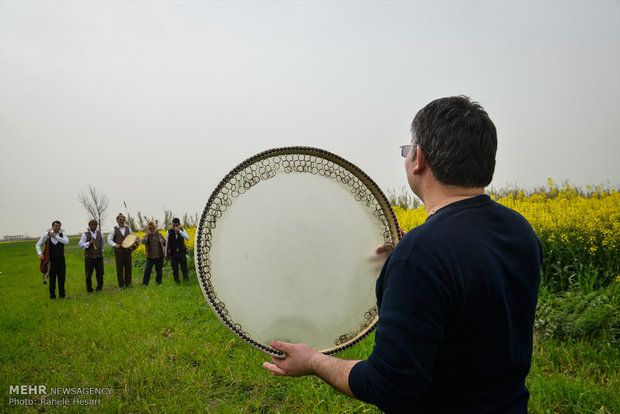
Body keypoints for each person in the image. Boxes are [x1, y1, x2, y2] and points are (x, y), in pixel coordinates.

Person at [262, 96, 542, 413]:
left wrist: (314, 360)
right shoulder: (519, 230)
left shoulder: (422, 254)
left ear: (418, 159)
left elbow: (389, 385)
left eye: (407, 150)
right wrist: (413, 253)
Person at [36, 220, 70, 299]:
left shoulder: (62, 234)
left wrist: (55, 236)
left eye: (59, 226)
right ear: (52, 227)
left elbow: (66, 242)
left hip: (61, 260)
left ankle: (62, 295)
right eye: (56, 226)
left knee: (62, 278)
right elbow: (38, 245)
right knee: (52, 279)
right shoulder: (46, 235)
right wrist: (40, 254)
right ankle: (52, 296)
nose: (57, 227)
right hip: (51, 261)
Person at [107, 213, 134, 290]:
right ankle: (121, 286)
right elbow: (109, 239)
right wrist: (115, 244)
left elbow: (132, 236)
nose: (122, 221)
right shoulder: (114, 229)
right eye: (120, 220)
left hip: (128, 252)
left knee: (128, 269)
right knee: (119, 269)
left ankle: (128, 284)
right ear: (117, 221)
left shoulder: (128, 228)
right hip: (119, 252)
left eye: (123, 220)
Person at [78, 219, 105, 293]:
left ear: (96, 226)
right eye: (92, 225)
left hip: (99, 257)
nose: (93, 226)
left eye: (95, 225)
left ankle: (99, 288)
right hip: (89, 258)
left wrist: (100, 251)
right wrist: (89, 243)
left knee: (100, 273)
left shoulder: (100, 233)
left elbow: (103, 243)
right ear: (89, 226)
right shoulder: (85, 234)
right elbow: (80, 245)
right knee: (88, 274)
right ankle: (89, 289)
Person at [141, 221, 166, 285]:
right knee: (147, 270)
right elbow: (143, 242)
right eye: (150, 229)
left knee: (159, 271)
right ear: (148, 229)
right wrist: (147, 235)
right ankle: (145, 284)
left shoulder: (159, 235)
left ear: (155, 228)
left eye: (153, 228)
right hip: (150, 256)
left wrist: (162, 241)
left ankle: (158, 283)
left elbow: (165, 243)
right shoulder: (146, 235)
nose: (152, 230)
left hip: (159, 256)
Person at [166, 218, 190, 283]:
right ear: (172, 224)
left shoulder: (182, 230)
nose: (175, 227)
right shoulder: (169, 232)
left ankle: (186, 281)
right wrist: (166, 254)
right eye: (174, 225)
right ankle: (177, 282)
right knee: (175, 269)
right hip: (173, 253)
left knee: (184, 268)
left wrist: (179, 231)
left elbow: (187, 238)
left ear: (179, 224)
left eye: (177, 225)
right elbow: (167, 243)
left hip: (181, 252)